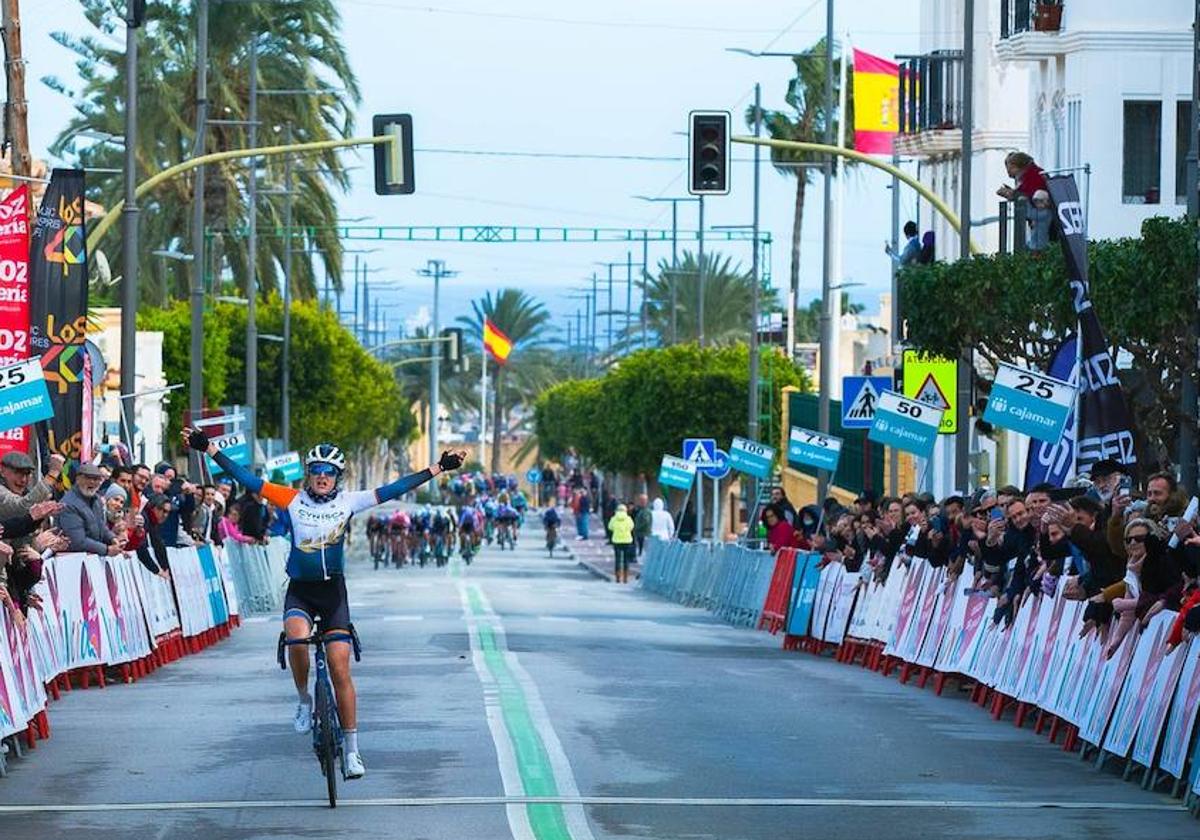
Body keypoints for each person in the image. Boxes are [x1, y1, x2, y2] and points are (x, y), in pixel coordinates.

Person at [184, 426, 465, 781]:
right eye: (316, 470)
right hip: (301, 590)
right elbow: (245, 478)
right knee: (297, 640)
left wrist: (437, 468)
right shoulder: (290, 499)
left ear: (337, 477)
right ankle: (304, 700)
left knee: (339, 667)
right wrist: (208, 447)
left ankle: (351, 751)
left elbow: (395, 488)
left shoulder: (349, 502)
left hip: (333, 593)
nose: (321, 477)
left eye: (328, 472)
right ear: (308, 474)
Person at [58, 463, 125, 556]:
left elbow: (101, 526)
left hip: (91, 560)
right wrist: (106, 550)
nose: (92, 482)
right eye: (88, 478)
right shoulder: (68, 504)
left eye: (96, 479)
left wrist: (112, 539)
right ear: (78, 479)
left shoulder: (97, 499)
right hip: (73, 561)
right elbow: (77, 541)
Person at [607, 503, 635, 584]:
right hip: (627, 540)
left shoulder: (614, 519)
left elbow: (610, 527)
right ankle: (626, 577)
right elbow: (631, 527)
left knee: (618, 560)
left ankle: (618, 577)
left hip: (617, 540)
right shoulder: (628, 519)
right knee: (626, 560)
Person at [633, 493, 652, 557]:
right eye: (640, 500)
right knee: (639, 545)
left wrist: (637, 527)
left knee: (643, 546)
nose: (640, 502)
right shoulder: (639, 509)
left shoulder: (646, 510)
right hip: (640, 532)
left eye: (642, 500)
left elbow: (646, 521)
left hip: (644, 532)